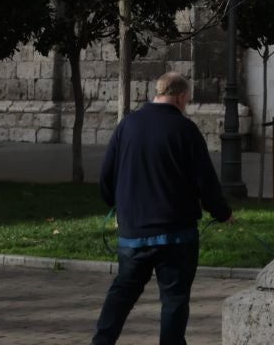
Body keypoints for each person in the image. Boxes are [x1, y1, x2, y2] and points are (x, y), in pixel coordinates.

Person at [90, 71, 231, 345]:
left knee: (122, 292)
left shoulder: (127, 125)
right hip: (176, 233)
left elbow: (106, 176)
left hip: (133, 231)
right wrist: (223, 212)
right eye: (187, 100)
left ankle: (102, 341)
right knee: (174, 299)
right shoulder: (185, 130)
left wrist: (117, 205)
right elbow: (205, 181)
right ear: (180, 97)